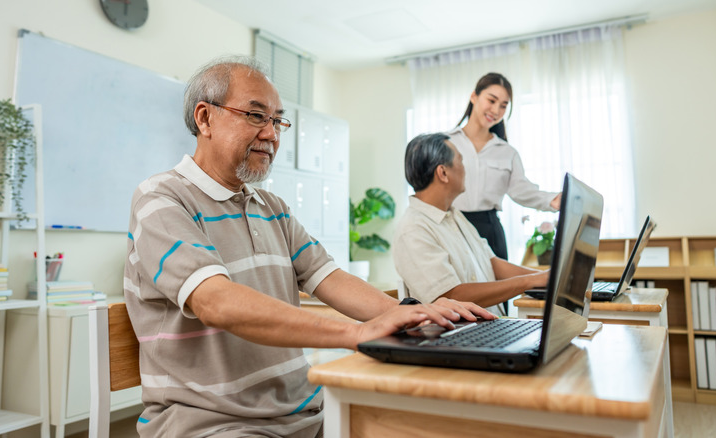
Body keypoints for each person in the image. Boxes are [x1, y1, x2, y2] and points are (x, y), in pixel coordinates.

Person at [123, 56, 494, 438]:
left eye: (277, 120)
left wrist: (414, 313)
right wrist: (355, 334)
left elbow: (328, 277)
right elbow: (216, 302)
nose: (271, 134)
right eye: (255, 116)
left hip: (304, 415)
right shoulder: (161, 199)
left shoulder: (273, 209)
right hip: (213, 424)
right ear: (205, 118)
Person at [393, 133, 549, 316]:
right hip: (457, 339)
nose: (465, 168)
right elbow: (452, 295)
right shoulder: (413, 230)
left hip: (489, 327)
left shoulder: (454, 215)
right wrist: (529, 282)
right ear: (443, 173)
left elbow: (492, 263)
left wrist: (544, 278)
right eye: (460, 161)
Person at [449, 72, 561, 261]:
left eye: (503, 106)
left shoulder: (507, 152)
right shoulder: (446, 143)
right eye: (491, 100)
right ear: (474, 96)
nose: (496, 110)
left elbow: (521, 190)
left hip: (490, 231)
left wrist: (553, 200)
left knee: (498, 288)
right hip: (453, 228)